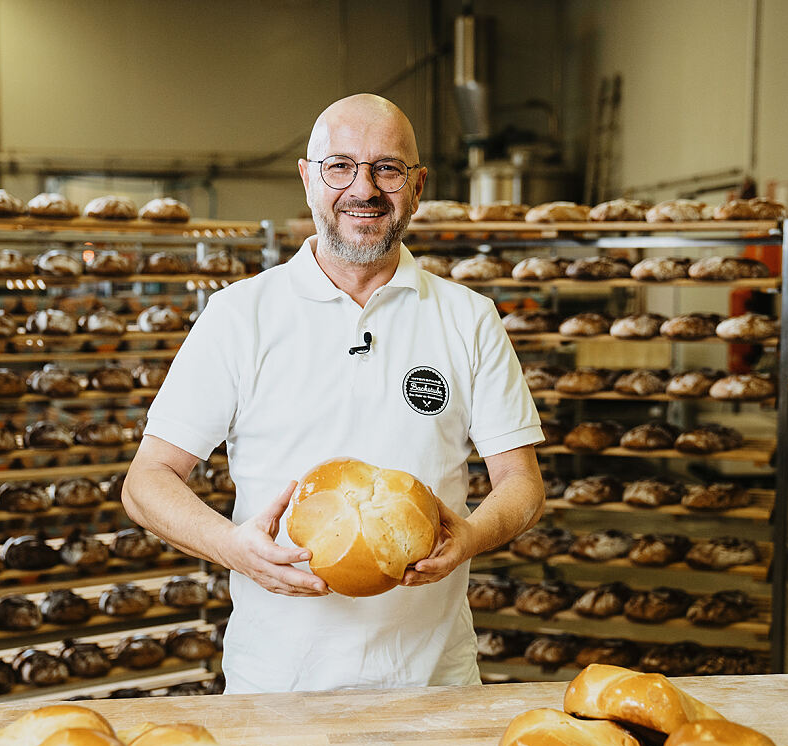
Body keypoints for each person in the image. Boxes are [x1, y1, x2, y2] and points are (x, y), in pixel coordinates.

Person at [123, 93, 545, 693]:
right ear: (308, 180)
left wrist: (472, 535)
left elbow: (523, 484)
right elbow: (147, 481)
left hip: (433, 683)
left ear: (417, 185)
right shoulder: (241, 315)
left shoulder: (469, 317)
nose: (364, 188)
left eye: (387, 168)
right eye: (340, 166)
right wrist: (232, 547)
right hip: (277, 685)